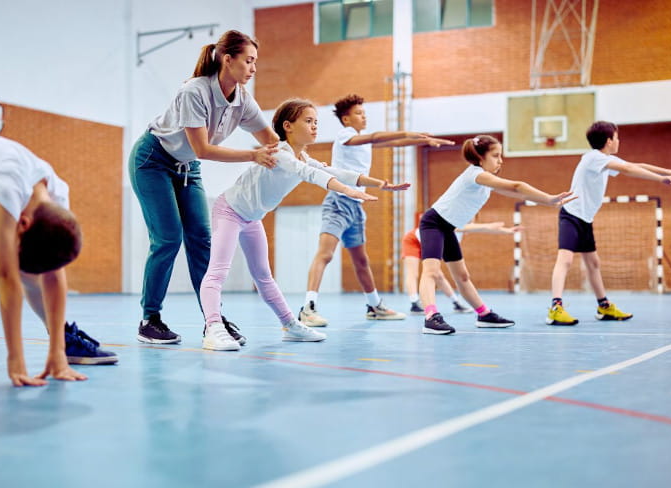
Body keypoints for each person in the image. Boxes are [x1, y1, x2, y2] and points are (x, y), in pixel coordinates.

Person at [199, 98, 410, 350]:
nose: (314, 127)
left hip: (252, 217)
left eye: (316, 122)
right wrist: (350, 192)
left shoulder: (302, 156)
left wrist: (379, 184)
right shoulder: (278, 153)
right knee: (218, 272)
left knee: (264, 276)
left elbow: (334, 171)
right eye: (308, 121)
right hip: (229, 210)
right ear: (288, 126)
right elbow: (311, 175)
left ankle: (290, 325)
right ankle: (213, 327)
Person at [129, 30, 280, 345]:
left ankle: (213, 320)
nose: (253, 68)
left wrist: (299, 161)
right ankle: (150, 319)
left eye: (255, 62)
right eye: (248, 61)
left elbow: (272, 142)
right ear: (228, 59)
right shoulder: (195, 91)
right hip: (153, 160)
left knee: (201, 239)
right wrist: (254, 156)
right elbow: (202, 149)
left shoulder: (242, 100)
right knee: (168, 238)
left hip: (187, 168)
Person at [0, 133, 118, 387]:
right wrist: (16, 359)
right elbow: (6, 276)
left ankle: (66, 343)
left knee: (32, 275)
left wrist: (57, 352)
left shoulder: (58, 196)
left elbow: (54, 275)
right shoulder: (6, 184)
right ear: (22, 224)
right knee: (16, 270)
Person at [299, 93, 454, 327]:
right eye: (359, 114)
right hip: (339, 202)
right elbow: (378, 136)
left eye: (365, 113)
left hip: (357, 206)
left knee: (362, 261)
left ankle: (374, 306)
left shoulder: (362, 139)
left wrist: (421, 140)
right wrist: (407, 132)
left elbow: (389, 142)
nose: (364, 117)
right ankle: (308, 308)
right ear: (346, 119)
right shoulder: (345, 136)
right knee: (326, 254)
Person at [419, 134, 574, 335]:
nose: (500, 161)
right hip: (433, 223)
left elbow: (518, 193)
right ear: (480, 157)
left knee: (463, 276)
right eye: (496, 155)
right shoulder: (475, 174)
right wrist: (550, 198)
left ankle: (484, 315)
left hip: (448, 227)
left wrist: (547, 203)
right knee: (431, 271)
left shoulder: (486, 183)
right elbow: (517, 186)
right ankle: (431, 317)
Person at [547, 121, 671, 325]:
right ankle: (556, 308)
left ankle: (604, 306)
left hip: (585, 218)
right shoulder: (593, 158)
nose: (618, 141)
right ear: (609, 141)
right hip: (571, 214)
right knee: (565, 260)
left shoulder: (603, 160)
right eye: (617, 138)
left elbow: (636, 166)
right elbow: (627, 169)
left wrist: (668, 172)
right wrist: (660, 180)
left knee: (593, 263)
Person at [402, 221, 519, 314]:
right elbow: (472, 228)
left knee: (438, 275)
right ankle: (414, 303)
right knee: (414, 273)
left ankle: (456, 302)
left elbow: (481, 229)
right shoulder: (451, 223)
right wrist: (487, 225)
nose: (471, 222)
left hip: (430, 243)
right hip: (413, 240)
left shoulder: (458, 235)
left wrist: (507, 231)